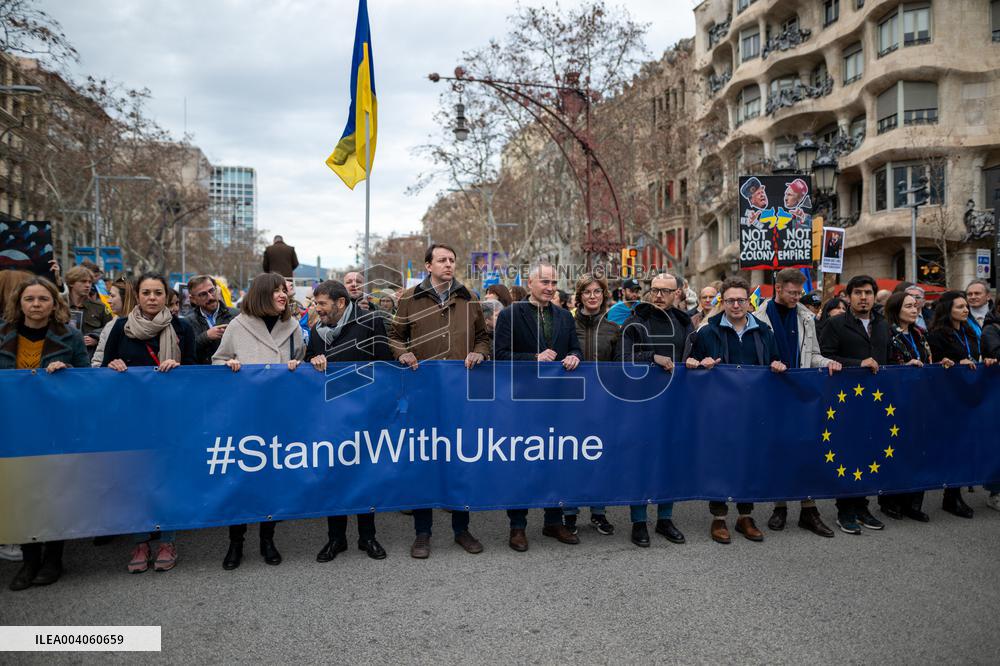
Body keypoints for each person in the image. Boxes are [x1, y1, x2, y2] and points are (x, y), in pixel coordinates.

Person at [389, 244, 490, 559]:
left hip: (460, 394)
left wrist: (480, 352)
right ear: (428, 265)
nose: (449, 265)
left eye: (452, 261)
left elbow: (483, 336)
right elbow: (394, 335)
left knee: (461, 460)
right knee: (423, 461)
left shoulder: (468, 297)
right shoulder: (409, 298)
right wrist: (402, 352)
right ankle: (422, 533)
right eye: (443, 260)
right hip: (423, 392)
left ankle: (462, 529)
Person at [101, 273, 195, 573]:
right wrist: (113, 365)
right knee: (137, 479)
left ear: (166, 297)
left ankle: (167, 539)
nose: (152, 298)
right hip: (131, 416)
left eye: (157, 293)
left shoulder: (181, 327)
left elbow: (196, 371)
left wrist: (179, 367)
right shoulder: (120, 327)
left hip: (170, 415)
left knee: (167, 478)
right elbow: (103, 366)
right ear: (137, 296)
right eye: (146, 293)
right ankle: (140, 542)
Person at [1, 276, 89, 591]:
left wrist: (67, 374)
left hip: (55, 426)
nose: (36, 305)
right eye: (30, 299)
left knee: (54, 492)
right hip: (12, 426)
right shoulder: (2, 335)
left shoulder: (71, 337)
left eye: (42, 299)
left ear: (54, 303)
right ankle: (29, 559)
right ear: (19, 303)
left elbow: (87, 380)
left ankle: (53, 558)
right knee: (20, 495)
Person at [211, 272, 305, 569]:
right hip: (245, 415)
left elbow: (302, 360)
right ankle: (235, 541)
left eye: (284, 291)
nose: (283, 295)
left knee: (272, 479)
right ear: (263, 293)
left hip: (279, 415)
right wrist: (229, 364)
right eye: (277, 290)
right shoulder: (237, 326)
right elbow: (217, 360)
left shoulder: (293, 327)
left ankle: (268, 539)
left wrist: (297, 366)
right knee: (241, 479)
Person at [685, 276, 785, 544]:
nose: (736, 305)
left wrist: (778, 365)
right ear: (723, 302)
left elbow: (776, 359)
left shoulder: (764, 331)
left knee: (749, 460)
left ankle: (745, 515)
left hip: (754, 409)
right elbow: (690, 363)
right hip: (719, 410)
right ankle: (719, 518)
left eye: (741, 300)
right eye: (730, 300)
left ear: (749, 302)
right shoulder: (708, 331)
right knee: (720, 460)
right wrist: (699, 362)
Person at [494, 261, 582, 551]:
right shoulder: (510, 314)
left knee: (556, 460)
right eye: (545, 282)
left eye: (554, 283)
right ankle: (517, 526)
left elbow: (575, 348)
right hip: (522, 401)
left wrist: (573, 357)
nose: (550, 288)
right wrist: (534, 358)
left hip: (557, 401)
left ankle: (553, 521)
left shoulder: (564, 316)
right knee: (522, 463)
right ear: (530, 283)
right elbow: (500, 355)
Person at [307, 280, 390, 561]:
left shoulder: (370, 322)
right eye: (316, 304)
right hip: (331, 418)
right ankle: (336, 539)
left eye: (322, 304)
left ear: (340, 303)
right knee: (334, 477)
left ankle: (368, 538)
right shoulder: (316, 332)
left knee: (365, 476)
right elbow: (310, 369)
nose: (317, 310)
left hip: (365, 414)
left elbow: (384, 365)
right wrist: (312, 361)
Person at [754, 268, 841, 538]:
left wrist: (828, 363)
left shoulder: (806, 316)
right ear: (777, 288)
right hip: (771, 393)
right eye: (791, 292)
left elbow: (814, 355)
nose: (796, 297)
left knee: (807, 449)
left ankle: (809, 508)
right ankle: (779, 506)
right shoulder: (756, 318)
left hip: (801, 392)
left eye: (799, 292)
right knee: (778, 450)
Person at [620, 272, 691, 547]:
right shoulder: (636, 320)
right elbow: (622, 359)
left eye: (665, 291)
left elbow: (692, 357)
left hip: (674, 403)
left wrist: (699, 362)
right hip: (640, 402)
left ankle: (665, 518)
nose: (659, 295)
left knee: (669, 460)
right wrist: (652, 358)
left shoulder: (685, 322)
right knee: (640, 461)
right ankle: (639, 522)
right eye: (655, 290)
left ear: (677, 294)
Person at [819, 275, 892, 535]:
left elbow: (890, 356)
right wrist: (856, 364)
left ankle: (862, 507)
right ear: (848, 297)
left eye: (869, 293)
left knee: (870, 453)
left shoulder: (883, 324)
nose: (864, 297)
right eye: (858, 293)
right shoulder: (835, 324)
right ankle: (845, 510)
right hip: (845, 402)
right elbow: (825, 356)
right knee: (848, 454)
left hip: (876, 402)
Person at [925, 291, 996, 519]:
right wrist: (955, 364)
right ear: (948, 310)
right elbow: (934, 366)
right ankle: (951, 496)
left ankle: (956, 492)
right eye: (960, 307)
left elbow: (977, 356)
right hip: (948, 398)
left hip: (970, 397)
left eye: (966, 306)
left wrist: (985, 360)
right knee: (953, 448)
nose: (965, 310)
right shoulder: (936, 335)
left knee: (966, 446)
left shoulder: (969, 331)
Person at [880, 291, 950, 522]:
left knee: (919, 451)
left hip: (921, 401)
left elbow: (926, 362)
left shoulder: (920, 334)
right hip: (897, 402)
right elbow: (884, 366)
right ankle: (891, 501)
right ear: (896, 309)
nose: (915, 309)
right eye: (909, 306)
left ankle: (913, 502)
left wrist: (940, 364)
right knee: (897, 451)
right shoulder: (887, 334)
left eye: (916, 306)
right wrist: (903, 367)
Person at [563, 274, 619, 537]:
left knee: (600, 458)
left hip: (602, 404)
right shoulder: (566, 326)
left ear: (604, 295)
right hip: (571, 404)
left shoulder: (613, 329)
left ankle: (599, 512)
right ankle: (569, 513)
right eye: (587, 292)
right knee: (572, 458)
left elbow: (620, 369)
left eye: (597, 291)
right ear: (580, 296)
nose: (593, 296)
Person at [186, 275, 238, 365]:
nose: (210, 297)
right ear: (193, 299)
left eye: (211, 291)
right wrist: (205, 337)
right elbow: (186, 354)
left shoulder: (236, 316)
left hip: (232, 373)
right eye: (203, 294)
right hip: (202, 375)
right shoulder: (187, 322)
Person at [64, 265, 112, 358]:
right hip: (65, 356)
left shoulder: (100, 307)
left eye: (90, 282)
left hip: (90, 358)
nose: (88, 285)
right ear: (71, 283)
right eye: (83, 281)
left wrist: (96, 338)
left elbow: (110, 329)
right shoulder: (60, 306)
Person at [91, 277, 138, 368]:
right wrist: (108, 367)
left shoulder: (146, 324)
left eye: (112, 296)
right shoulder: (109, 326)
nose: (108, 301)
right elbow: (97, 362)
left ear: (126, 298)